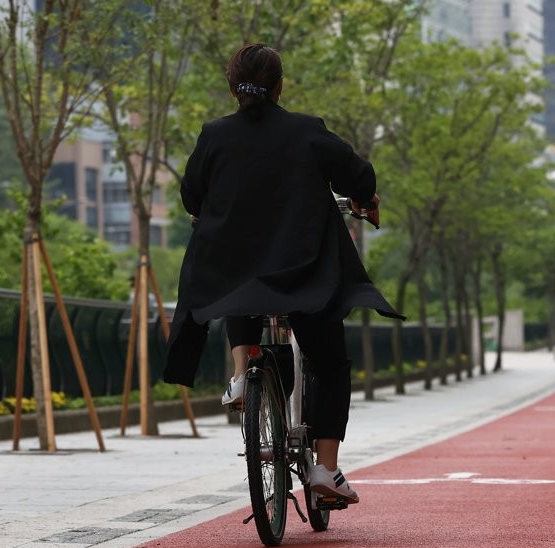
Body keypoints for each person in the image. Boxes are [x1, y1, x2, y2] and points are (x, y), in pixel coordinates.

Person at [162, 44, 403, 505]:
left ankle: (239, 375)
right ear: (280, 86)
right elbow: (358, 173)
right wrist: (362, 198)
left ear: (232, 87)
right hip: (303, 273)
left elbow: (193, 197)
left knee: (240, 280)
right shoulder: (307, 132)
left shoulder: (214, 135)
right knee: (330, 363)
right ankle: (326, 472)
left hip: (234, 268)